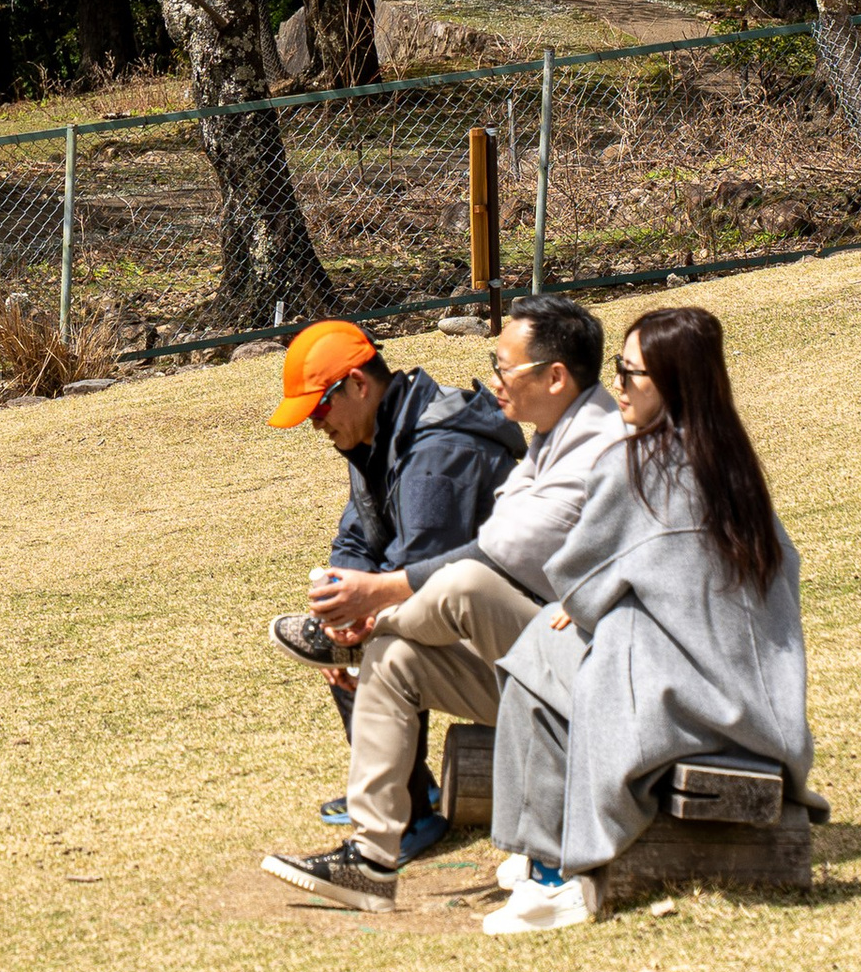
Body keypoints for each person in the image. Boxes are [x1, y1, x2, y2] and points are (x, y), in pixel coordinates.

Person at [261, 295, 617, 911]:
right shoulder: (541, 442)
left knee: (453, 587)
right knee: (393, 657)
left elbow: (489, 555)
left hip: (597, 679)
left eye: (504, 366)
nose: (494, 379)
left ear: (555, 376)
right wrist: (355, 602)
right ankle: (373, 857)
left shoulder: (589, 444)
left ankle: (412, 785)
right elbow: (362, 534)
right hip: (534, 663)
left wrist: (364, 615)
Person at [485, 302, 811, 938]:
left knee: (534, 658)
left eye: (631, 373)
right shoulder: (735, 464)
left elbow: (576, 576)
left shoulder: (634, 461)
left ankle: (551, 872)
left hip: (679, 703)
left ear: (673, 382)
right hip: (761, 703)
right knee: (561, 651)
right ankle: (541, 859)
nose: (620, 386)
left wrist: (580, 608)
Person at [258, 319, 522, 862]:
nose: (315, 425)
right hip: (472, 634)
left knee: (367, 642)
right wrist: (340, 607)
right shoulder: (379, 437)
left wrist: (353, 626)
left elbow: (421, 575)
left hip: (518, 659)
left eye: (319, 408)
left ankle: (406, 811)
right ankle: (405, 791)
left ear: (358, 384)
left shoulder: (437, 452)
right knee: (347, 634)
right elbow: (356, 536)